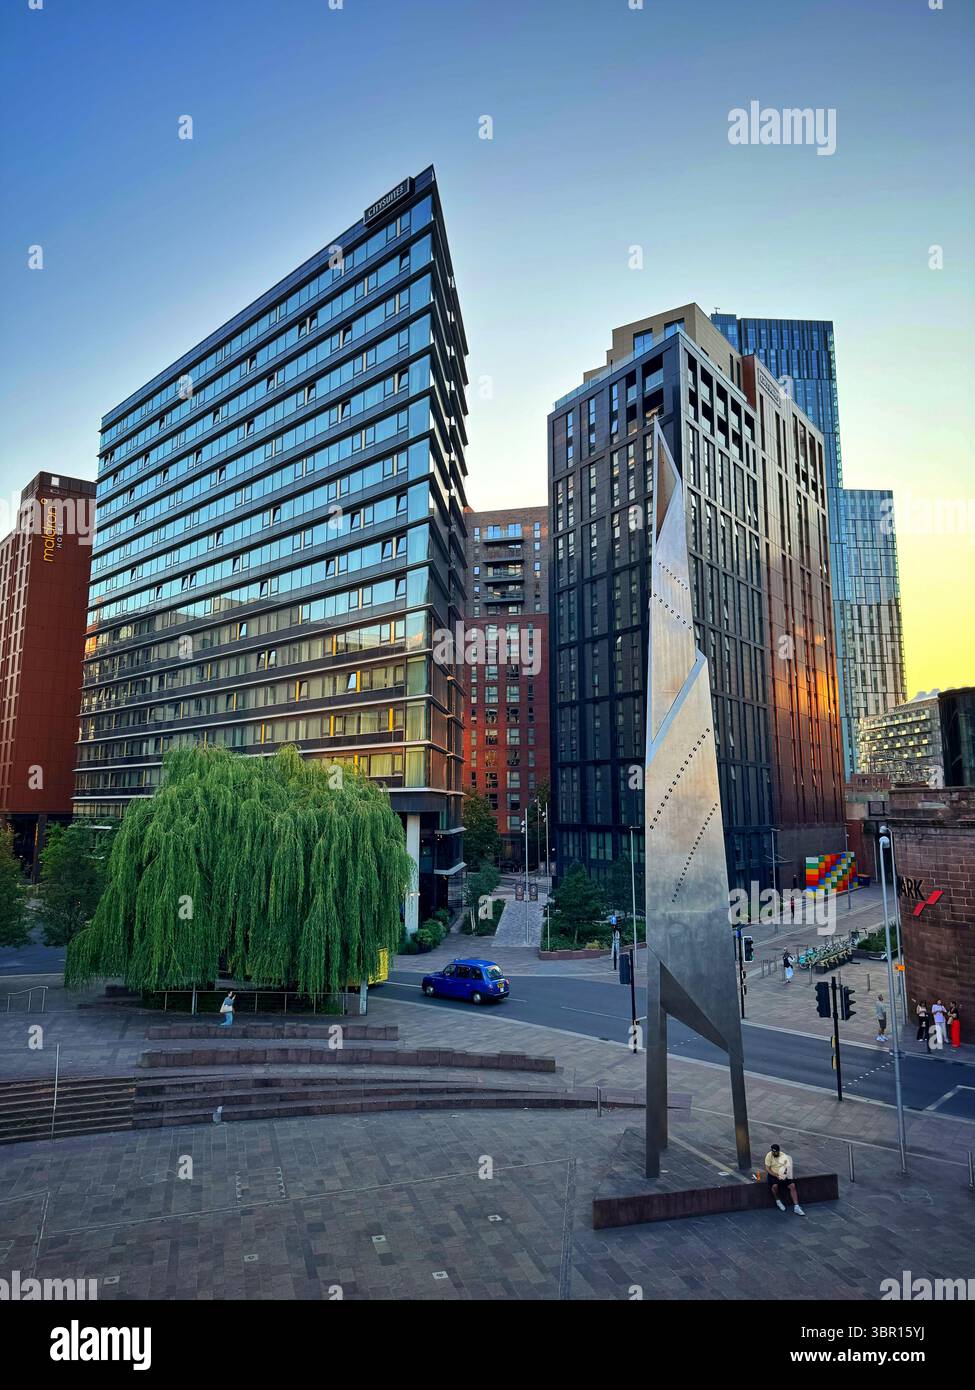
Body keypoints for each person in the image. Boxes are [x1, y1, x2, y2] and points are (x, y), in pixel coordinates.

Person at [764, 1143, 805, 1216]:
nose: (774, 1153)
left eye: (776, 1152)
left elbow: (788, 1167)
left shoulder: (783, 1156)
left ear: (778, 1151)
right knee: (774, 1186)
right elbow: (768, 1169)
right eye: (773, 1152)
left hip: (783, 1173)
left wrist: (784, 1174)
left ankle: (797, 1207)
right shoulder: (769, 1156)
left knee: (792, 1186)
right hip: (773, 1174)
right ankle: (778, 1201)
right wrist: (776, 1175)